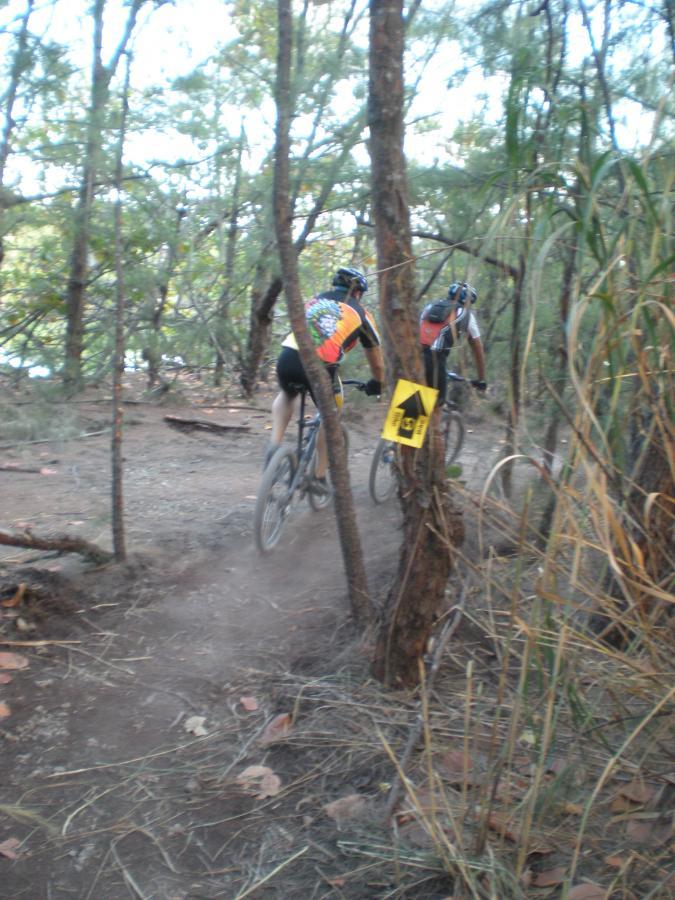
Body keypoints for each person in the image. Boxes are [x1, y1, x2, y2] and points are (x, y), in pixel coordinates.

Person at [265, 267, 385, 494]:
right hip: (320, 366)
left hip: (287, 356)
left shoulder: (314, 301)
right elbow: (377, 362)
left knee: (287, 393)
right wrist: (377, 382)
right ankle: (319, 477)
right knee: (330, 416)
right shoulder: (361, 313)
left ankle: (274, 445)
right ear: (359, 292)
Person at [419, 281, 487, 404]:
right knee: (435, 408)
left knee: (408, 413)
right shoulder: (465, 314)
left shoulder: (429, 307)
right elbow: (478, 350)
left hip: (412, 355)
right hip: (435, 361)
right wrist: (481, 379)